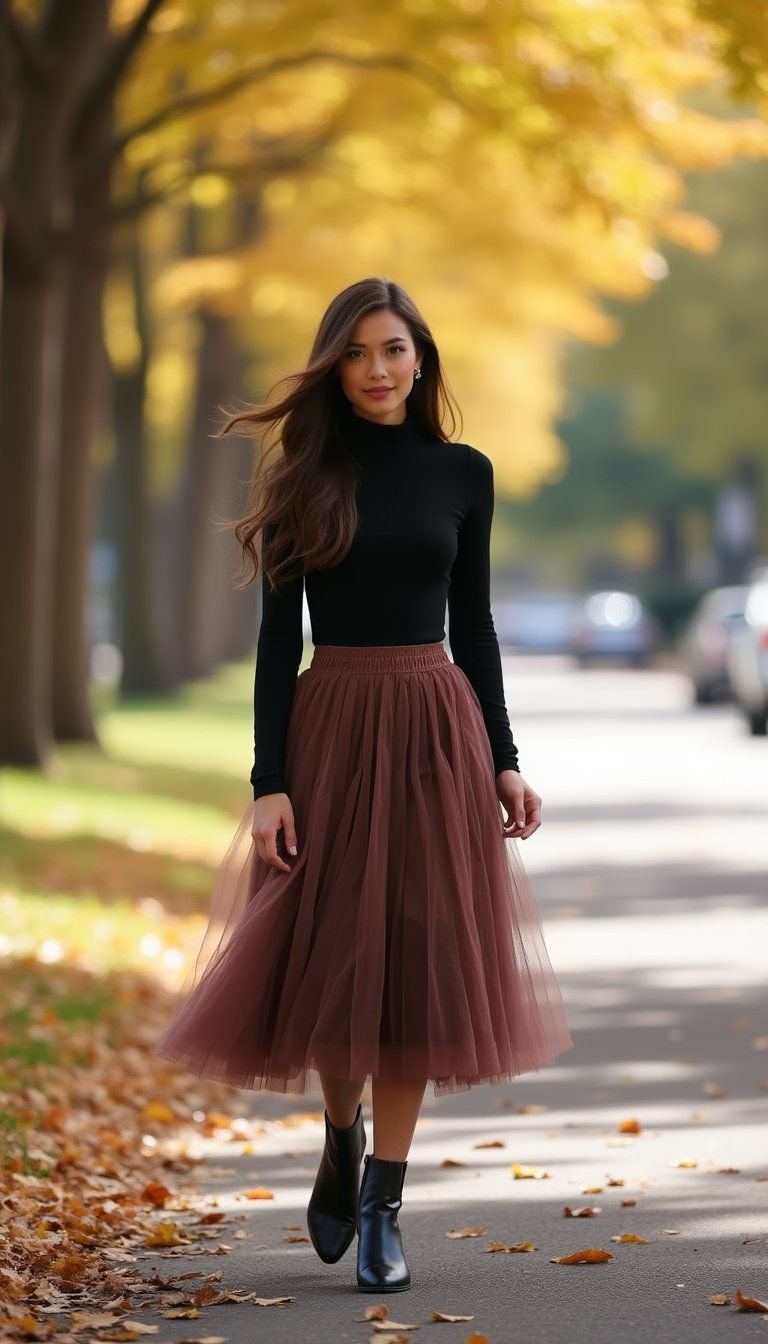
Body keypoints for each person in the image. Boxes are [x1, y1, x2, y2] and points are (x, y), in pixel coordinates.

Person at [153, 276, 573, 1293]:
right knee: (340, 954)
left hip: (436, 729)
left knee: (422, 959)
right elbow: (271, 643)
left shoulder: (464, 475)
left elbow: (472, 626)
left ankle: (385, 1195)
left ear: (420, 358)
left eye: (392, 350)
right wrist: (271, 782)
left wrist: (505, 757)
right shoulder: (304, 471)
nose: (377, 370)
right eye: (356, 354)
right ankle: (340, 1137)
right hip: (332, 725)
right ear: (334, 367)